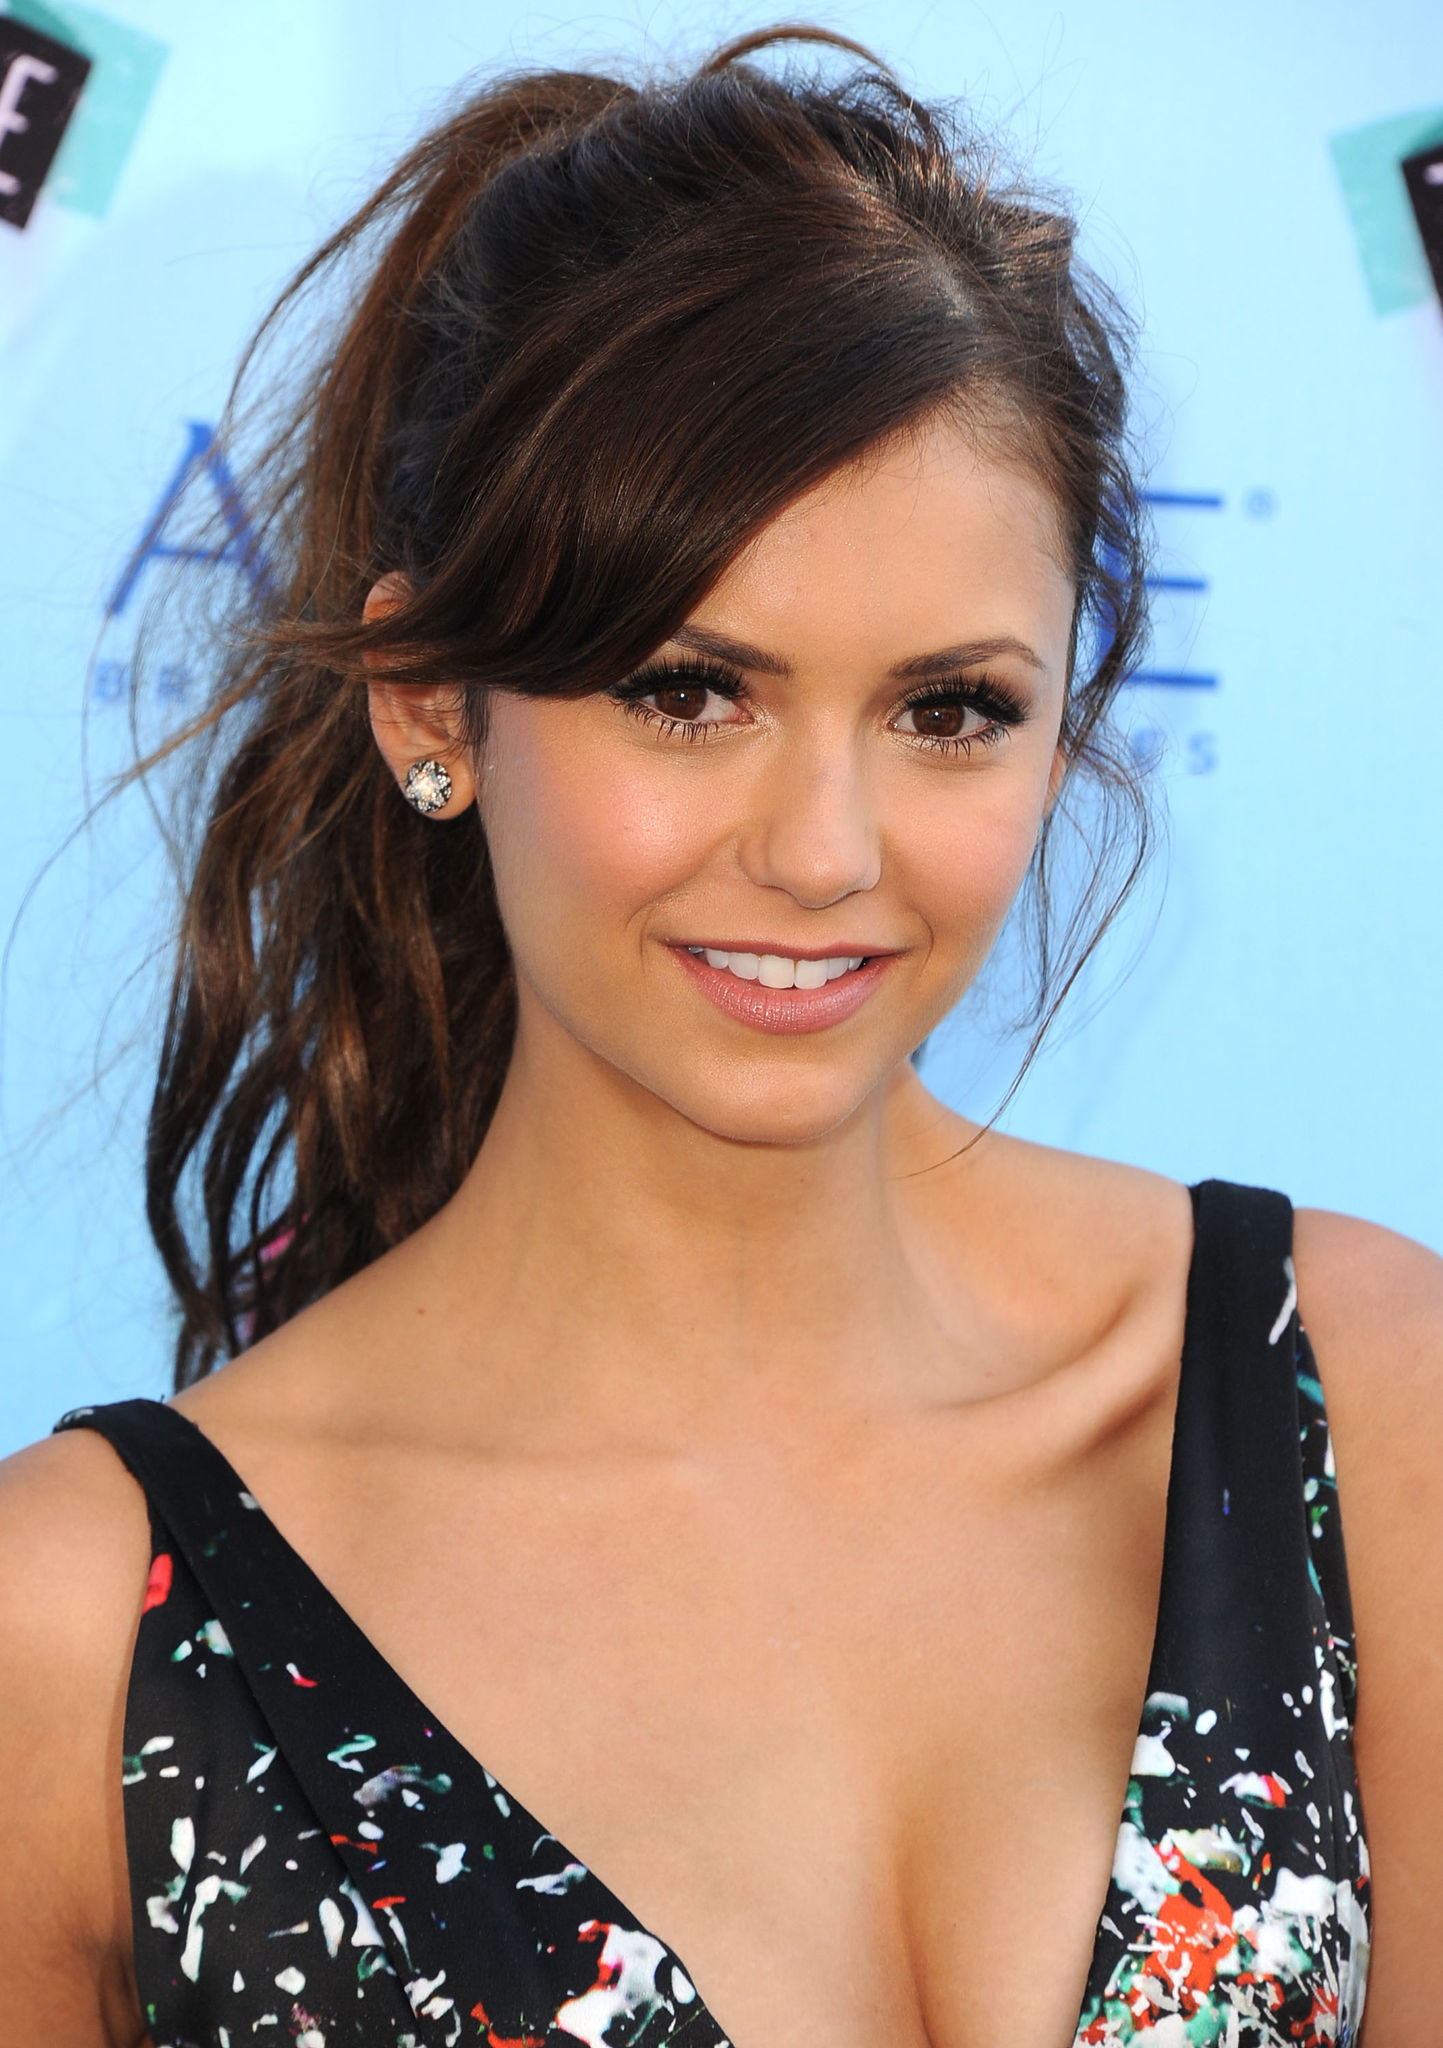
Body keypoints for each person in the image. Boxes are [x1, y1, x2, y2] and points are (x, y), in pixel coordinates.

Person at [0, 25, 1438, 2047]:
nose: (825, 850)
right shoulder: (83, 1637)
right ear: (427, 705)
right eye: (690, 691)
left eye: (949, 709)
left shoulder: (1356, 1405)